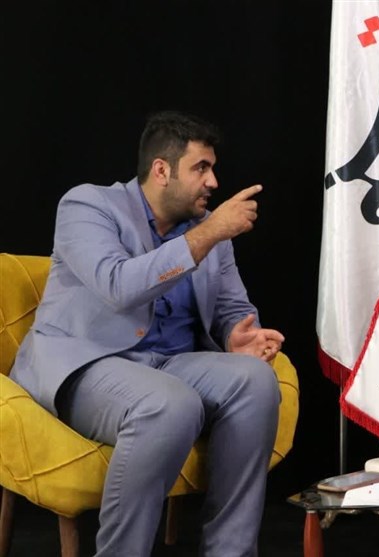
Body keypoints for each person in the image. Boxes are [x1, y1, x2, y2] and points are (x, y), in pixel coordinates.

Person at [10, 110, 284, 556]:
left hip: (170, 363)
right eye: (201, 168)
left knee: (255, 381)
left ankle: (230, 550)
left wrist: (235, 335)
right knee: (170, 404)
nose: (213, 182)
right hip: (89, 363)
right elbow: (118, 285)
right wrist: (209, 234)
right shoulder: (87, 206)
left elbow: (231, 306)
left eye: (213, 168)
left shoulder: (207, 230)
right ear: (161, 170)